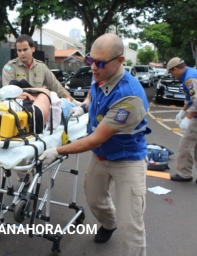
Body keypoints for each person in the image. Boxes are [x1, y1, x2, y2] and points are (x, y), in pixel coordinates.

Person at [40, 33, 149, 256]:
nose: (93, 67)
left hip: (127, 159)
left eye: (100, 63)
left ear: (119, 61)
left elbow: (95, 139)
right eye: (90, 60)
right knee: (94, 199)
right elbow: (94, 94)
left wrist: (57, 150)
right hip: (101, 156)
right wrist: (84, 106)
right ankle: (109, 225)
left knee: (130, 223)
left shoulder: (129, 97)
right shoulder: (99, 73)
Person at [2, 34, 71, 99]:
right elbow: (8, 92)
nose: (22, 53)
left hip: (39, 106)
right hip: (18, 107)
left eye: (25, 49)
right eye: (19, 50)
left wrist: (71, 100)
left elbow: (56, 87)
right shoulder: (10, 67)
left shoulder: (41, 67)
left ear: (33, 49)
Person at [165, 57, 197, 183]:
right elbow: (190, 99)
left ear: (176, 69)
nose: (172, 75)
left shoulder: (190, 79)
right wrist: (183, 110)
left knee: (186, 144)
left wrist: (188, 119)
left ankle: (184, 174)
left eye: (172, 72)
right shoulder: (191, 74)